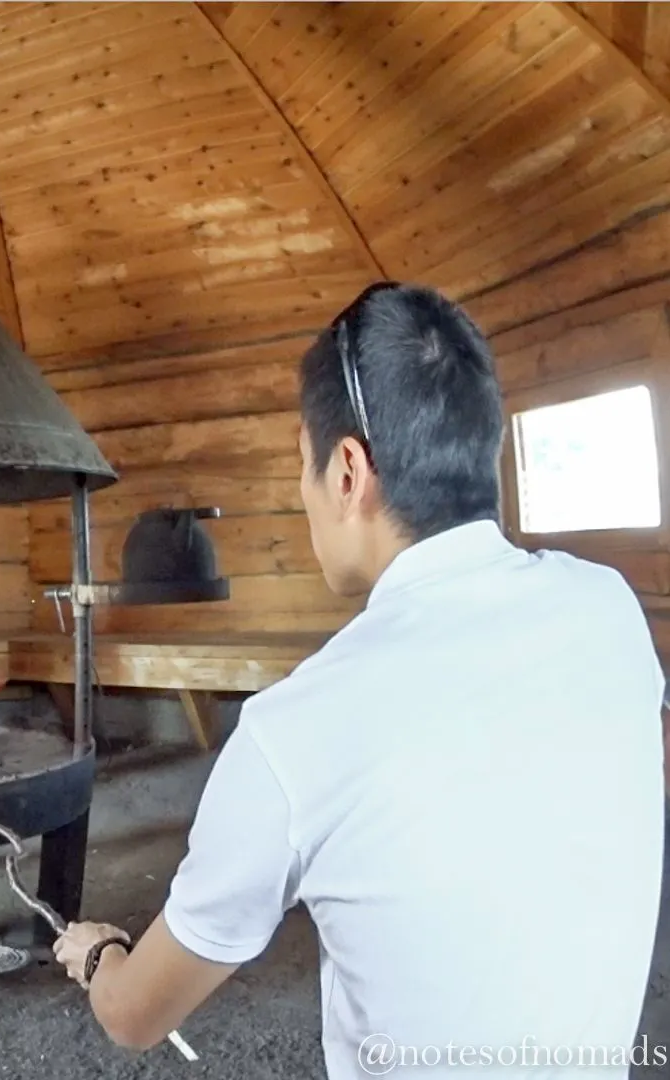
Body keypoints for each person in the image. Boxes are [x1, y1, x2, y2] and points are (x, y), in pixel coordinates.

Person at [53, 283, 665, 1078]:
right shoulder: (609, 607)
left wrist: (98, 954)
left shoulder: (295, 732)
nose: (303, 492)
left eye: (302, 465)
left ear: (347, 471)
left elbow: (137, 1015)